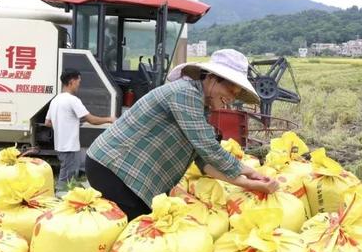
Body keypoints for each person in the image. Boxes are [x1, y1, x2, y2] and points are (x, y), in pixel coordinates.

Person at [86, 49, 279, 220]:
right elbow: (208, 148)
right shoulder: (185, 93)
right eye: (230, 89)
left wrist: (248, 183)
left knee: (138, 227)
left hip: (123, 173)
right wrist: (251, 172)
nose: (231, 98)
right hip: (114, 167)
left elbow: (205, 163)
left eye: (236, 94)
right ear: (211, 78)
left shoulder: (200, 108)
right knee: (133, 230)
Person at [45, 69, 115, 191]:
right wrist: (110, 119)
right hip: (70, 147)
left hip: (60, 145)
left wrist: (66, 124)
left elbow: (48, 122)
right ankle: (60, 200)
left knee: (68, 177)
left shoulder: (55, 100)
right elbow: (92, 120)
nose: (79, 85)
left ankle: (64, 197)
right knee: (66, 180)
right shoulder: (73, 100)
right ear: (71, 82)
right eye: (78, 81)